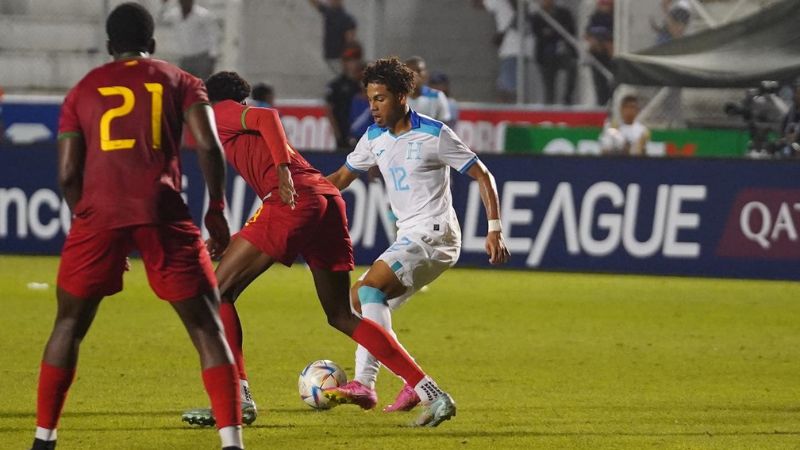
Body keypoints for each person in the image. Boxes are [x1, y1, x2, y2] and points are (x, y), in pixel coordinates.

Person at [180, 70, 459, 428]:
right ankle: (430, 391)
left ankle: (236, 401)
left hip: (291, 198)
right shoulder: (232, 124)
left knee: (218, 293)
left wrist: (281, 171)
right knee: (342, 314)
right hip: (325, 199)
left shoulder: (222, 112)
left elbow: (268, 116)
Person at [30, 4, 242, 450]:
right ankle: (231, 443)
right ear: (154, 43)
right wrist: (216, 209)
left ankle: (44, 438)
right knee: (207, 328)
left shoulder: (81, 90)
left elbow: (68, 173)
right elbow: (208, 146)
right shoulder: (182, 81)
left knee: (68, 324)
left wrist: (86, 217)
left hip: (99, 214)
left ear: (110, 48)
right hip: (162, 209)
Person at [324, 57, 510, 414]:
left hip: (435, 233)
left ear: (401, 96)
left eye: (380, 98)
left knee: (366, 290)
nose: (373, 107)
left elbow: (483, 175)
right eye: (369, 99)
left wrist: (494, 229)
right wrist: (300, 191)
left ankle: (375, 385)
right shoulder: (373, 137)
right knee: (362, 307)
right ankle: (397, 384)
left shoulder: (434, 134)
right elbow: (340, 179)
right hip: (411, 235)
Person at [474, 0, 532, 102]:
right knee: (512, 85)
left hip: (510, 49)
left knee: (508, 87)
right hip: (525, 49)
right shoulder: (528, 5)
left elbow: (477, 4)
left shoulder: (499, 2)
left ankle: (513, 111)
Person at [529, 0, 577, 105]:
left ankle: (567, 99)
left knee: (572, 69)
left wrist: (551, 33)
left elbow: (571, 32)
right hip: (545, 55)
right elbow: (539, 34)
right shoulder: (537, 16)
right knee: (549, 87)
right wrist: (553, 34)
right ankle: (549, 107)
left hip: (563, 52)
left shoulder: (564, 13)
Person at [159, 0, 219, 80]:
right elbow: (161, 20)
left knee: (203, 86)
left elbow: (212, 35)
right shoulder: (175, 14)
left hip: (202, 58)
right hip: (185, 58)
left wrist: (213, 56)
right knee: (186, 87)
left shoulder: (203, 15)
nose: (185, 2)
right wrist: (165, 4)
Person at [325, 44, 364, 150]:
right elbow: (330, 111)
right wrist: (338, 135)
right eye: (349, 60)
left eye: (355, 59)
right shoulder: (336, 86)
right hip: (344, 135)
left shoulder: (366, 84)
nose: (353, 63)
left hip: (364, 135)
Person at [308, 0, 357, 73]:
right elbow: (316, 4)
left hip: (339, 59)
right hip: (330, 57)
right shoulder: (329, 13)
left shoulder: (347, 19)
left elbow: (350, 41)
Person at [404, 56, 452, 123]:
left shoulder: (437, 96)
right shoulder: (396, 97)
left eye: (418, 71)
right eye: (410, 71)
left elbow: (445, 123)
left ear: (425, 74)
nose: (414, 75)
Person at [585, 0, 615, 106]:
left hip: (611, 57)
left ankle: (612, 106)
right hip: (597, 55)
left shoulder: (615, 18)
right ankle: (601, 106)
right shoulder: (595, 17)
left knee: (613, 86)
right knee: (600, 86)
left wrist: (608, 44)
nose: (605, 7)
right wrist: (595, 43)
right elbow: (588, 35)